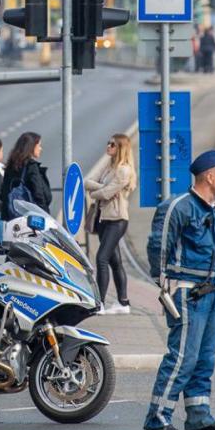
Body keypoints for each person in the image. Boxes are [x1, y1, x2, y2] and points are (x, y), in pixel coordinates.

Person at [144, 148, 215, 430]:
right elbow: (159, 245)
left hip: (213, 291)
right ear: (209, 176)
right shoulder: (178, 206)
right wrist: (163, 283)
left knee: (205, 358)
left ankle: (198, 414)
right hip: (187, 292)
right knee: (183, 356)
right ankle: (158, 415)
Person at [87, 133, 136, 314]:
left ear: (121, 148)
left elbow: (106, 194)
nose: (108, 146)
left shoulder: (124, 170)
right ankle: (123, 303)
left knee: (101, 258)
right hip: (103, 219)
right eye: (108, 143)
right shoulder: (108, 166)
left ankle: (99, 304)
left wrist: (99, 190)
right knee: (115, 262)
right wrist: (102, 188)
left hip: (117, 220)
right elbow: (88, 182)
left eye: (112, 144)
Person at [0, 132, 51, 217]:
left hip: (12, 216)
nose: (40, 149)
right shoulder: (31, 167)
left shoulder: (11, 166)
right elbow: (38, 193)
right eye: (38, 145)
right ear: (31, 147)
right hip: (32, 217)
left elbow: (4, 193)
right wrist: (45, 215)